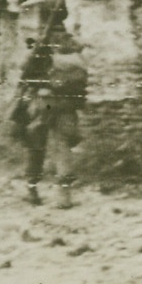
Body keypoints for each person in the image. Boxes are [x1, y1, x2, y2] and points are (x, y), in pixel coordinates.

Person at [14, 28, 88, 208]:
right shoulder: (79, 61)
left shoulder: (46, 56)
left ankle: (32, 190)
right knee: (63, 149)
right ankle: (64, 197)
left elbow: (25, 71)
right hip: (67, 108)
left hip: (45, 104)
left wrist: (36, 53)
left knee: (36, 145)